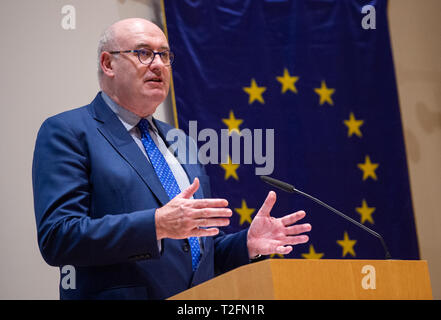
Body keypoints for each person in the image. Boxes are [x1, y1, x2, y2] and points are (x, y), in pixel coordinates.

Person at [32, 18, 311, 300]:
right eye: (143, 52)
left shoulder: (181, 141)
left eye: (164, 55)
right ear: (108, 64)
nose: (158, 64)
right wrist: (156, 225)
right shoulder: (68, 131)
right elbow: (58, 237)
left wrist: (246, 245)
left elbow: (196, 250)